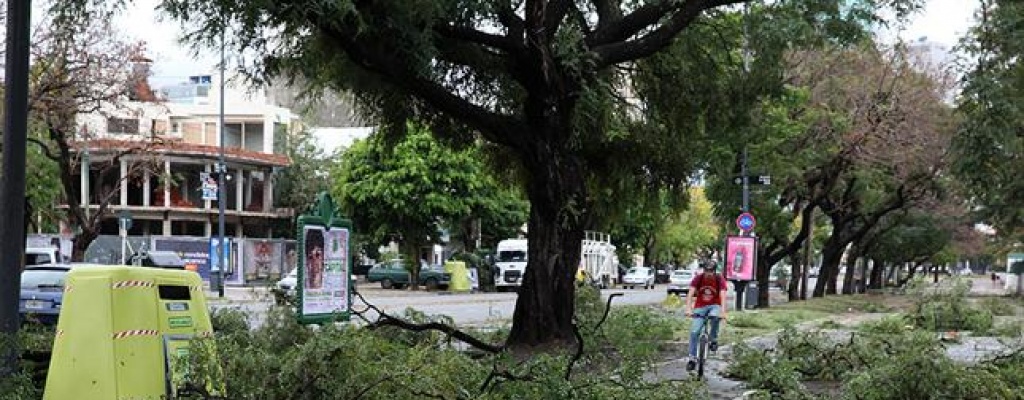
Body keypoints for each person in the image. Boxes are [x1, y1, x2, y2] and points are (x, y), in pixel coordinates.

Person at [684, 259, 728, 371]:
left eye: (710, 271)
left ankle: (713, 339)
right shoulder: (699, 278)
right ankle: (692, 358)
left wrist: (723, 311)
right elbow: (690, 294)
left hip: (715, 305)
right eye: (706, 271)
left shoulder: (719, 279)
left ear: (714, 271)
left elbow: (723, 295)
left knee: (715, 317)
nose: (708, 273)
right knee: (694, 332)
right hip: (700, 306)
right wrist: (688, 309)